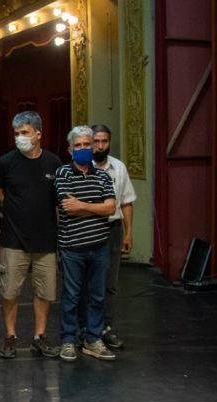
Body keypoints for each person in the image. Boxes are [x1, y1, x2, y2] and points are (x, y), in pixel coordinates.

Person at [0, 111, 62, 359]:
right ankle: (10, 336)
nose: (20, 137)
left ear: (38, 134)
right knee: (10, 291)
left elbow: (58, 199)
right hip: (13, 239)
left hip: (46, 239)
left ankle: (39, 336)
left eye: (24, 132)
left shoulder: (54, 163)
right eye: (16, 133)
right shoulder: (6, 162)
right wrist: (14, 211)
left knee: (44, 292)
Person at [54, 125, 116, 362]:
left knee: (97, 296)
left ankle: (93, 339)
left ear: (93, 147)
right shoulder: (63, 173)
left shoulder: (103, 175)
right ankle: (68, 340)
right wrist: (96, 207)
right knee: (71, 296)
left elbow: (111, 208)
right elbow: (68, 207)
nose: (83, 149)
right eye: (77, 145)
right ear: (70, 150)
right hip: (72, 247)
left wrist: (83, 205)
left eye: (86, 145)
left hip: (100, 246)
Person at [77, 124, 137, 349]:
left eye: (104, 141)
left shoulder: (118, 167)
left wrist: (128, 233)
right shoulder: (81, 166)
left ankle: (106, 327)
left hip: (113, 229)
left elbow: (126, 202)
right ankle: (85, 328)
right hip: (87, 227)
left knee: (110, 283)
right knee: (86, 282)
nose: (100, 146)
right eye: (96, 141)